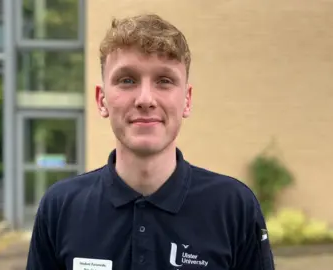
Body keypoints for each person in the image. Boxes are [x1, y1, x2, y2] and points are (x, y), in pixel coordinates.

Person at [26, 13, 275, 270]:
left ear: (187, 100)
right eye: (127, 80)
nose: (145, 99)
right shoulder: (61, 207)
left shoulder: (233, 208)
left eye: (164, 81)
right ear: (102, 100)